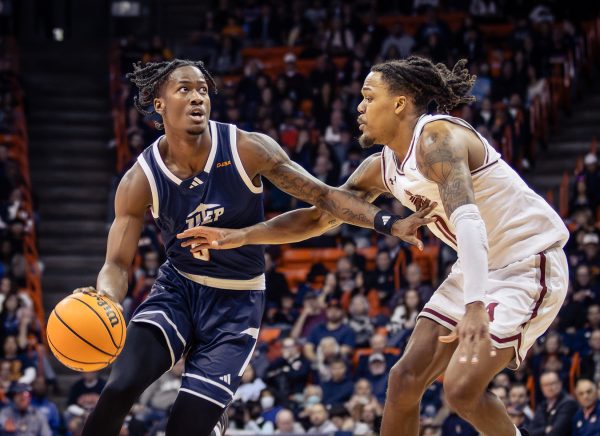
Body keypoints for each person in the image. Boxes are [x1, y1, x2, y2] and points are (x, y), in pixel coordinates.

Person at [180, 55, 571, 436]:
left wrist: (473, 307)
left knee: (462, 388)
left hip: (526, 260)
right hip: (476, 269)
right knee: (403, 380)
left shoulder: (438, 138)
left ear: (399, 103)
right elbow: (322, 215)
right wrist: (244, 235)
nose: (360, 106)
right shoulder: (380, 167)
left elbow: (468, 219)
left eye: (369, 97)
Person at [78, 58, 432, 436]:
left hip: (237, 302)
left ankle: (212, 419)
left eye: (202, 89)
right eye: (185, 89)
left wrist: (389, 222)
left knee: (184, 428)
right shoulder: (141, 178)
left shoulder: (247, 148)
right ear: (158, 103)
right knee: (119, 388)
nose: (198, 97)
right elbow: (116, 263)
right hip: (178, 290)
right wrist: (107, 298)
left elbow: (324, 199)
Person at [530, 371, 578, 436]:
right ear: (541, 388)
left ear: (560, 384)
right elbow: (530, 431)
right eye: (546, 385)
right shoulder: (542, 406)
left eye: (552, 383)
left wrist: (541, 431)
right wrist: (545, 430)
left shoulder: (569, 403)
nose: (549, 388)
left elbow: (556, 433)